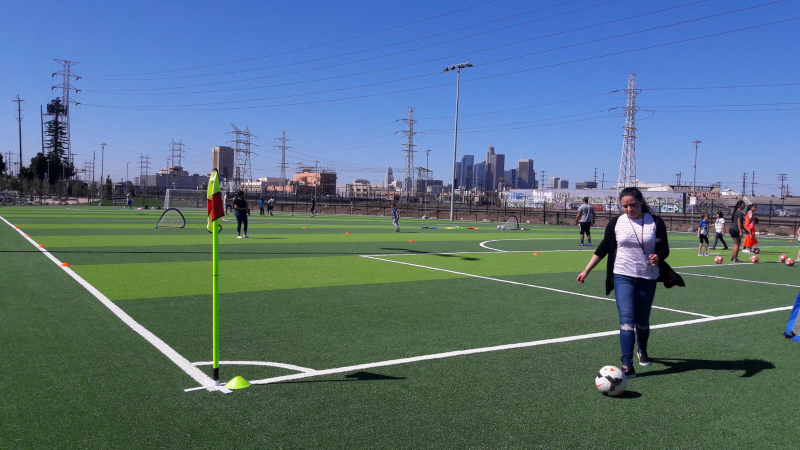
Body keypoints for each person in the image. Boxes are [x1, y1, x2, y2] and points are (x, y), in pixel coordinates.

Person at [577, 187, 683, 379]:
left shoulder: (656, 222)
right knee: (626, 320)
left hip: (647, 277)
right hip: (622, 276)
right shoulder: (616, 223)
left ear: (641, 202)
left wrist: (658, 256)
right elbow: (603, 248)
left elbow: (665, 249)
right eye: (625, 206)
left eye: (632, 205)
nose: (628, 209)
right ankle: (627, 364)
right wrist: (586, 270)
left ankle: (642, 349)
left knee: (642, 322)